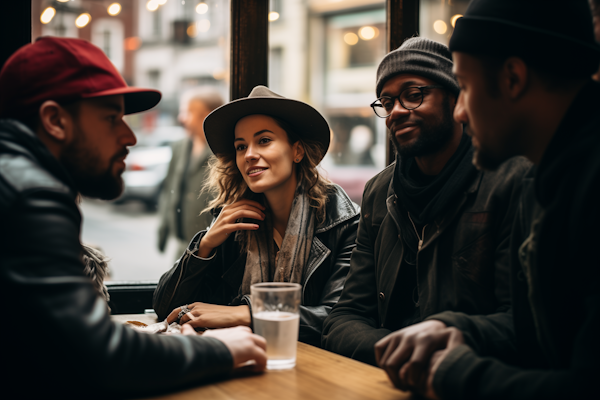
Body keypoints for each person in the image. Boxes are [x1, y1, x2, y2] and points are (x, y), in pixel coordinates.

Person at [0, 37, 267, 398]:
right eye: (112, 118)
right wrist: (221, 348)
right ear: (54, 120)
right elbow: (97, 356)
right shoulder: (32, 194)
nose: (129, 137)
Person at [373, 1, 600, 399]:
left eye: (464, 86)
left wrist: (459, 371)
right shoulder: (550, 179)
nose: (459, 112)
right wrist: (457, 328)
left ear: (512, 78)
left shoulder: (580, 183)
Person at [322, 37, 531, 365]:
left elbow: (520, 323)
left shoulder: (508, 179)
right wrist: (401, 350)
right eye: (387, 102)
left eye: (413, 95)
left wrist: (436, 346)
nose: (397, 112)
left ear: (454, 98)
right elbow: (344, 317)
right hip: (391, 378)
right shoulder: (380, 191)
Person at [153, 86, 360, 347]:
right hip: (245, 360)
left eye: (263, 140)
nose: (249, 154)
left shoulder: (344, 222)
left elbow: (338, 319)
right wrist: (204, 246)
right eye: (241, 146)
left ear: (297, 151)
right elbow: (165, 307)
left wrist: (246, 313)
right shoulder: (233, 220)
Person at [157, 87, 224, 257]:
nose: (181, 118)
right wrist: (163, 230)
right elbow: (169, 188)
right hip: (182, 246)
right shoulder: (179, 147)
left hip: (215, 250)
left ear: (206, 116)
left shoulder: (224, 151)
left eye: (187, 112)